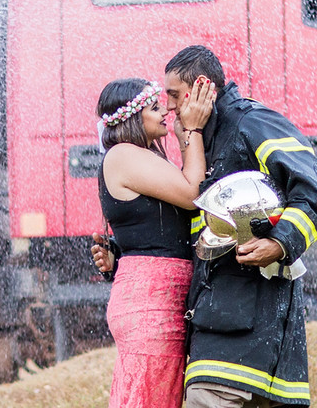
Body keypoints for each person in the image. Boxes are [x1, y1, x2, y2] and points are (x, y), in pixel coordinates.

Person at [94, 46, 317, 408]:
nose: (169, 109)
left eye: (172, 97)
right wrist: (127, 257)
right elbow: (195, 217)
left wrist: (280, 243)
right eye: (159, 103)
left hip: (243, 321)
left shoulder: (249, 123)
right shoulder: (196, 143)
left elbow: (313, 181)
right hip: (209, 319)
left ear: (202, 87)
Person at [91, 75, 216, 408]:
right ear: (132, 116)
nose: (166, 111)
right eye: (154, 107)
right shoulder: (123, 155)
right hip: (151, 302)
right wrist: (193, 130)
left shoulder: (138, 156)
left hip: (156, 296)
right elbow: (193, 195)